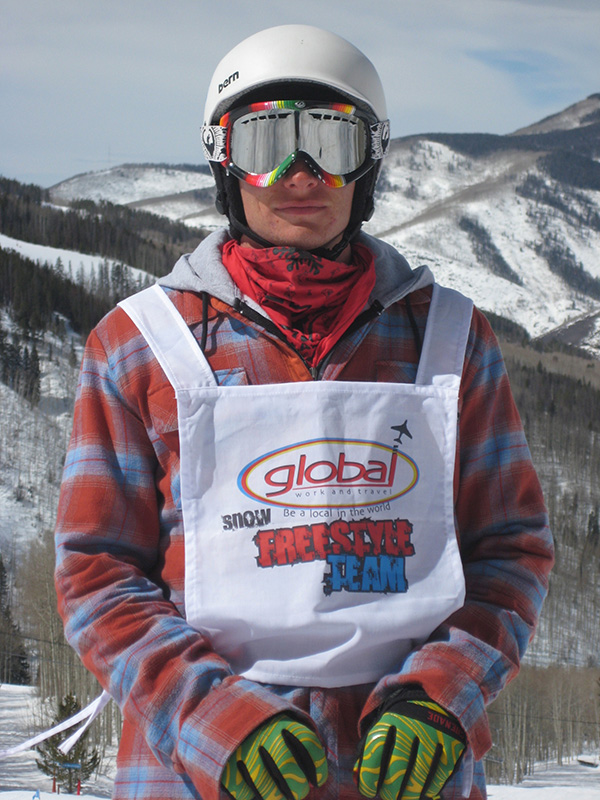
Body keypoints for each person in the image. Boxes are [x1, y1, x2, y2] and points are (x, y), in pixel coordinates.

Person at [54, 24, 553, 800]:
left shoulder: (449, 339)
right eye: (265, 143)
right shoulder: (140, 345)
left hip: (407, 768)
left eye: (329, 139)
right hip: (202, 771)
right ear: (224, 160)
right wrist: (213, 716)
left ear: (369, 161)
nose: (299, 175)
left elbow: (510, 551)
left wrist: (442, 693)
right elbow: (96, 574)